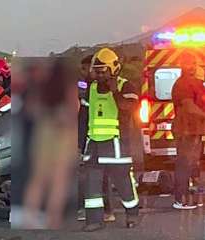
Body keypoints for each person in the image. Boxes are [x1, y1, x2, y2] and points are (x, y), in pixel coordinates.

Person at [82, 48, 139, 232]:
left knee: (122, 182)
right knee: (91, 184)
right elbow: (84, 117)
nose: (99, 75)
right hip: (94, 145)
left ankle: (132, 214)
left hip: (117, 144)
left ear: (113, 69)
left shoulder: (126, 86)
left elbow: (127, 108)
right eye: (96, 71)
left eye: (102, 71)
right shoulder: (90, 88)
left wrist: (115, 92)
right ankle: (94, 220)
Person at [21, 58, 78, 229]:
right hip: (63, 135)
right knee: (59, 180)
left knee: (38, 178)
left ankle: (29, 217)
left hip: (43, 133)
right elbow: (73, 111)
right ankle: (54, 218)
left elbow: (30, 110)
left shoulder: (41, 88)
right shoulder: (68, 87)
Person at [77, 55, 116, 223]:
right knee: (92, 176)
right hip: (92, 138)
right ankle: (95, 211)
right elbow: (83, 116)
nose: (86, 72)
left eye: (88, 69)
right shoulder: (87, 86)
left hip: (106, 138)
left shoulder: (106, 87)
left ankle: (106, 210)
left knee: (102, 177)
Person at [171, 51, 205, 210]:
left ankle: (193, 196)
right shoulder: (182, 84)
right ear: (181, 65)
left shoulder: (196, 83)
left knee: (193, 164)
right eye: (187, 63)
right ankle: (181, 199)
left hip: (195, 130)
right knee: (184, 164)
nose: (191, 66)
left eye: (193, 63)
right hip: (185, 130)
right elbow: (189, 107)